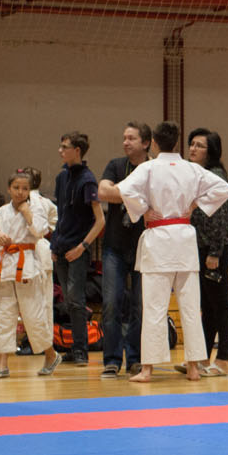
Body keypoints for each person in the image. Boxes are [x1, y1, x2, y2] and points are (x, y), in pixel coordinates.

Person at [101, 121, 228, 382]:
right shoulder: (191, 169)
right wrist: (195, 204)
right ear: (177, 142)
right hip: (184, 238)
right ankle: (194, 367)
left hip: (159, 240)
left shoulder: (148, 168)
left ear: (154, 143)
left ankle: (147, 369)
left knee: (154, 308)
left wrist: (142, 208)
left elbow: (122, 191)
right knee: (191, 307)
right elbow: (224, 189)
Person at [0, 169, 61, 378]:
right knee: (3, 315)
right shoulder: (2, 211)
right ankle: (2, 363)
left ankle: (51, 354)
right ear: (9, 189)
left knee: (33, 315)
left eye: (24, 188)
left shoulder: (36, 207)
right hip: (6, 266)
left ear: (29, 190)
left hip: (28, 266)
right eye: (16, 188)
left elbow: (41, 231)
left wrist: (28, 214)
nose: (20, 192)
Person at [97, 122, 151, 377]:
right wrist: (138, 196)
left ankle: (136, 359)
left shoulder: (154, 169)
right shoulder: (116, 165)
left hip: (146, 247)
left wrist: (120, 191)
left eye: (131, 138)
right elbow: (103, 192)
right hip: (114, 247)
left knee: (140, 306)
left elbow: (157, 199)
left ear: (146, 143)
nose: (125, 142)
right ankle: (111, 359)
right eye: (124, 137)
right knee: (111, 303)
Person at [52, 131, 103, 366]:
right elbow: (61, 215)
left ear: (77, 151)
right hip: (61, 248)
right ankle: (75, 348)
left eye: (65, 147)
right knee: (68, 300)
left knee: (76, 299)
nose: (60, 151)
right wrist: (55, 245)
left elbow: (100, 221)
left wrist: (83, 247)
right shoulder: (62, 178)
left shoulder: (88, 180)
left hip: (78, 250)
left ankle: (81, 349)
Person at [187, 129, 228, 375]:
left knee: (220, 304)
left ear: (211, 151)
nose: (193, 149)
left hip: (216, 248)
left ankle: (223, 359)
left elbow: (220, 217)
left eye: (200, 145)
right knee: (207, 305)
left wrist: (214, 252)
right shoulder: (198, 174)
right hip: (202, 246)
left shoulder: (215, 176)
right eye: (192, 144)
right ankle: (204, 358)